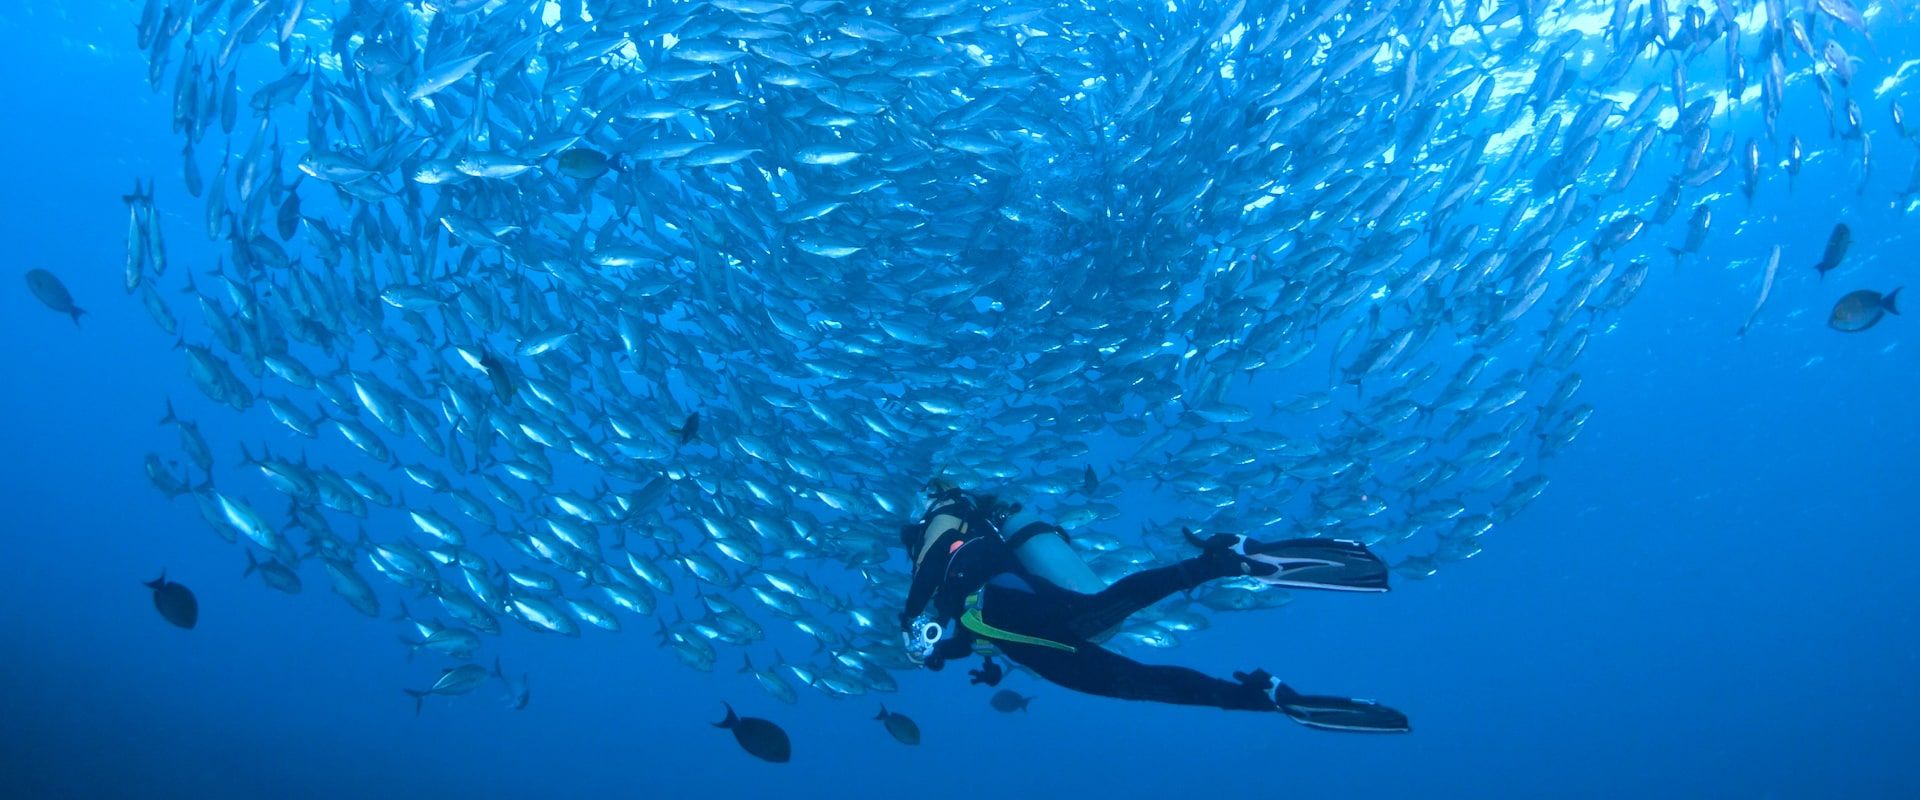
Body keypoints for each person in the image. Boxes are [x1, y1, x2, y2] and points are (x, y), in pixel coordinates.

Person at [899, 483, 1411, 733]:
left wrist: (913, 615)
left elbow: (954, 567)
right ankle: (1266, 699)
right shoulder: (939, 573)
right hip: (1033, 644)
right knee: (1134, 685)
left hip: (1025, 608)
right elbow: (969, 630)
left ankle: (1223, 562)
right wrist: (945, 651)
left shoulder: (946, 524)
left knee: (1101, 609)